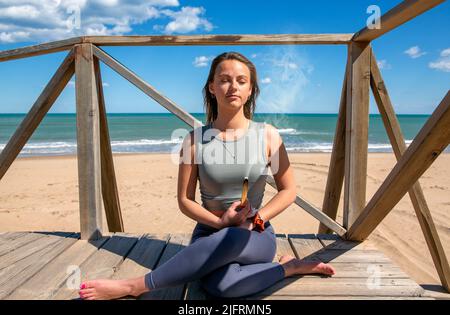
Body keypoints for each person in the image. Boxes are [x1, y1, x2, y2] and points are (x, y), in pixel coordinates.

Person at [78, 51, 335, 300]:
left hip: (256, 234)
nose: (232, 86)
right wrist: (222, 222)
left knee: (236, 236)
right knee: (221, 287)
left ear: (250, 89)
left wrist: (256, 220)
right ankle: (288, 268)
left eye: (241, 81)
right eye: (224, 80)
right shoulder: (193, 140)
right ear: (212, 87)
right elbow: (185, 200)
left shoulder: (268, 136)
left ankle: (135, 286)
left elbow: (288, 190)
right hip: (209, 232)